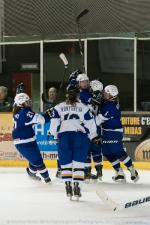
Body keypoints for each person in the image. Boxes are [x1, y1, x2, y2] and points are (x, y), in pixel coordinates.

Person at [49, 85, 98, 200]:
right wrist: (93, 136)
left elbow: (54, 124)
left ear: (67, 94)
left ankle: (67, 186)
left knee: (65, 164)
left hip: (64, 137)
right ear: (78, 95)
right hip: (79, 137)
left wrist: (54, 135)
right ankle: (77, 187)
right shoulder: (83, 107)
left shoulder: (58, 107)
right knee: (79, 164)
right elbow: (90, 124)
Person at [96, 85, 139, 183]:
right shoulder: (108, 101)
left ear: (111, 95)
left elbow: (98, 120)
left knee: (117, 151)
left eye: (106, 93)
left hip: (114, 131)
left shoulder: (111, 106)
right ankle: (119, 172)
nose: (104, 94)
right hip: (106, 130)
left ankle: (132, 170)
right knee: (107, 152)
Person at [12, 92, 51, 183]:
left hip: (28, 140)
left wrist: (19, 92)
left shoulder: (18, 111)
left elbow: (32, 119)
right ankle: (47, 179)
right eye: (27, 101)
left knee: (35, 159)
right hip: (23, 143)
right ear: (21, 103)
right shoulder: (25, 113)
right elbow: (43, 120)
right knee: (38, 161)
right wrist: (49, 114)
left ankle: (31, 172)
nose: (30, 103)